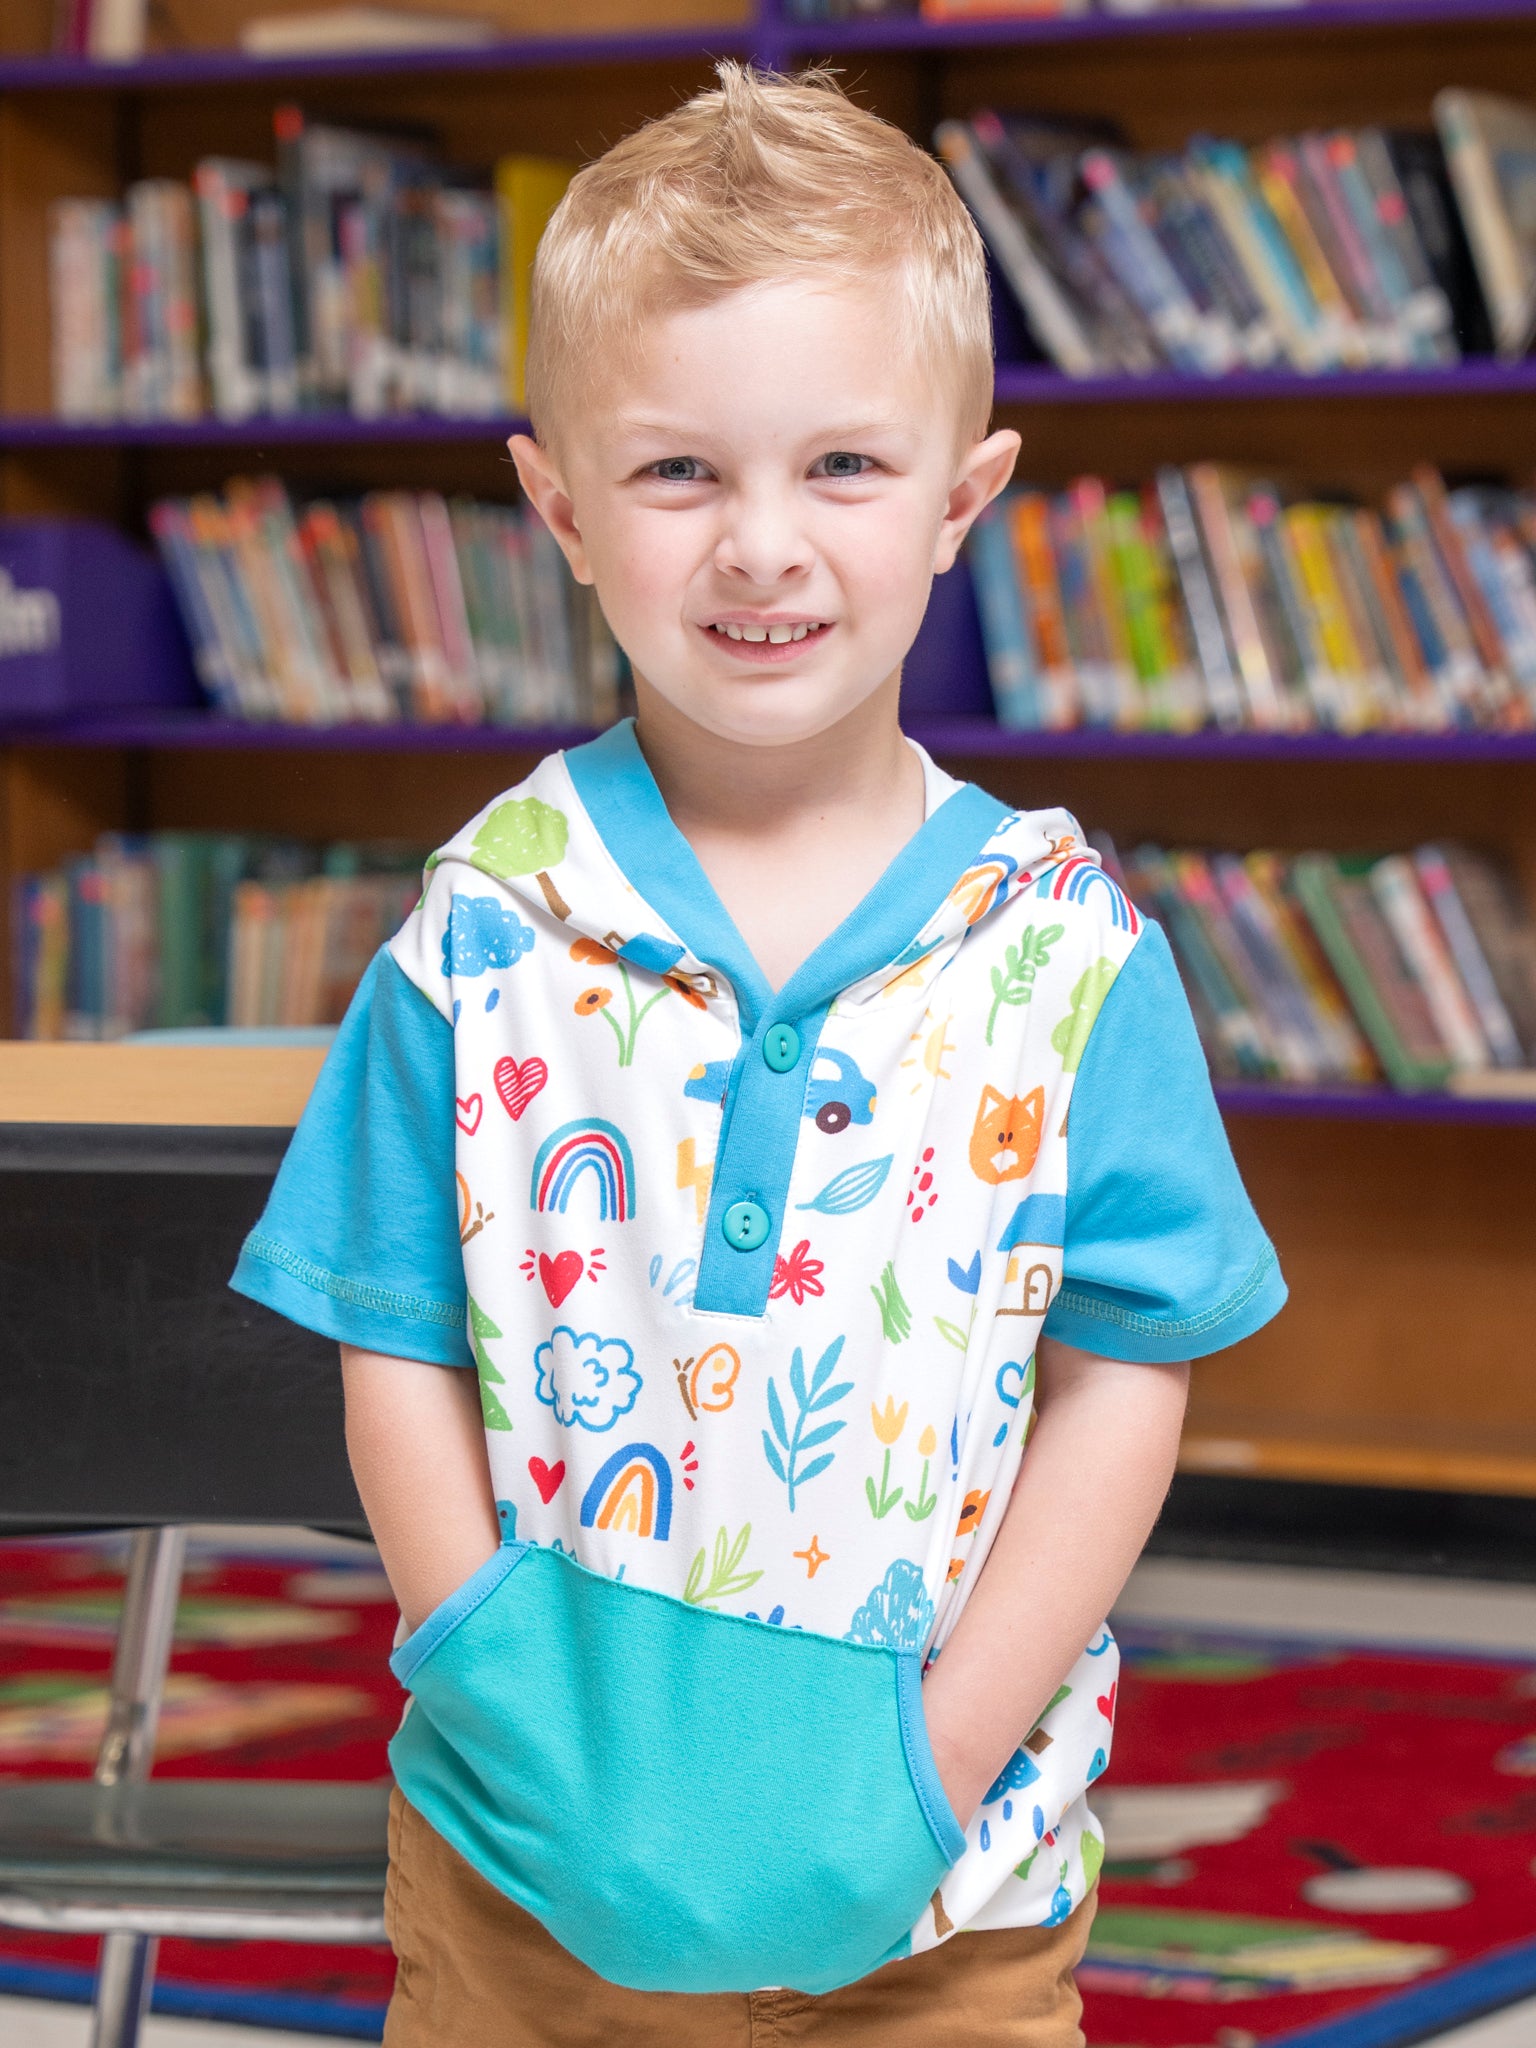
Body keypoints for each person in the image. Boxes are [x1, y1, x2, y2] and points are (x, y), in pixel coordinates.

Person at [231, 64, 1286, 2046]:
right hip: (524, 1865)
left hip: (949, 1892)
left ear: (963, 500)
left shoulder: (1065, 947)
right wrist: (493, 1684)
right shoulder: (482, 925)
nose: (762, 546)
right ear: (561, 509)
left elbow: (1125, 1375)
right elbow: (393, 1338)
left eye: (845, 466)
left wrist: (937, 1761)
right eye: (678, 474)